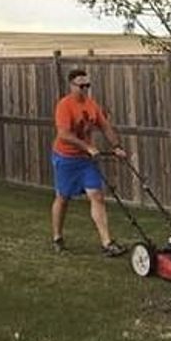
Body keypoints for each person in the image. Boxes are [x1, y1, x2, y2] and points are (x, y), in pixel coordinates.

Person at [51, 66, 127, 256]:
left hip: (86, 161)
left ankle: (107, 243)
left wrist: (116, 146)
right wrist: (87, 147)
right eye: (81, 86)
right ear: (72, 86)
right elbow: (64, 134)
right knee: (63, 198)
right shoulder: (64, 106)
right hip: (66, 158)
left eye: (88, 85)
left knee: (97, 196)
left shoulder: (92, 105)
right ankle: (57, 237)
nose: (85, 89)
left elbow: (105, 126)